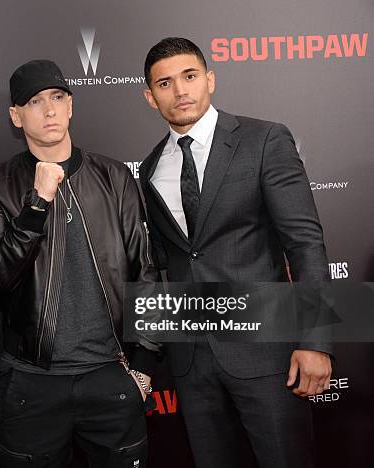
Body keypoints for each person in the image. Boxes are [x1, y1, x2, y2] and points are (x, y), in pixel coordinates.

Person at [139, 37, 332, 468]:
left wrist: (316, 340)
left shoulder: (263, 140)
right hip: (192, 363)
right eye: (165, 83)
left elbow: (305, 245)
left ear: (210, 79)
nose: (180, 91)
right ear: (150, 97)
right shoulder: (150, 167)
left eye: (189, 77)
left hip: (268, 353)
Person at [0, 59, 159, 467]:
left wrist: (143, 365)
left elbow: (144, 270)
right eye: (35, 102)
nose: (50, 110)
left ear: (71, 106)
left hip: (111, 374)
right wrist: (36, 205)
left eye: (57, 98)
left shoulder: (114, 177)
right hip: (33, 381)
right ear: (16, 116)